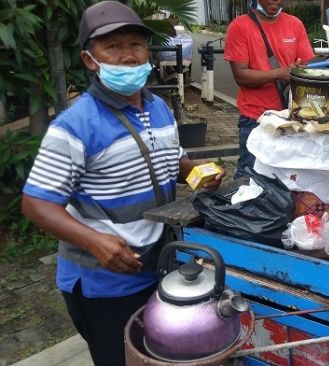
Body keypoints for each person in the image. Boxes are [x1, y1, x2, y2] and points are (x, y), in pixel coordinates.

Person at [21, 2, 224, 365]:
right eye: (113, 47)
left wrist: (197, 170)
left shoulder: (158, 107)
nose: (128, 56)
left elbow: (169, 161)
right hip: (105, 282)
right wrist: (94, 241)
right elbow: (36, 203)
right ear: (89, 60)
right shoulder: (74, 125)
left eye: (136, 45)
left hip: (156, 264)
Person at [224, 0, 315, 178]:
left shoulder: (295, 24)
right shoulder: (240, 26)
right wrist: (279, 74)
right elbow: (240, 76)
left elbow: (304, 70)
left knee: (288, 181)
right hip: (255, 120)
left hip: (290, 120)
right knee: (249, 181)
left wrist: (299, 73)